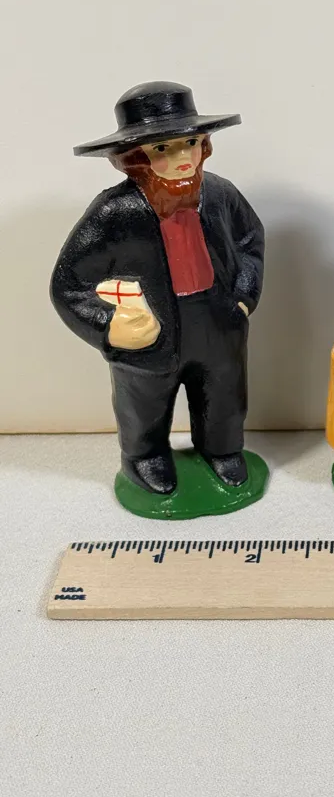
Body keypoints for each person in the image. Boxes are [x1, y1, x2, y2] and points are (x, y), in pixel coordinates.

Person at [51, 81, 264, 498]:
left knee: (222, 392)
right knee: (144, 402)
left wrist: (243, 296)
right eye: (163, 148)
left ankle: (222, 448)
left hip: (217, 320)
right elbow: (68, 285)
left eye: (190, 143)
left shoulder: (220, 194)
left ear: (204, 145)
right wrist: (109, 326)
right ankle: (143, 456)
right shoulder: (114, 212)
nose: (183, 158)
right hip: (151, 332)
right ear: (135, 157)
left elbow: (250, 240)